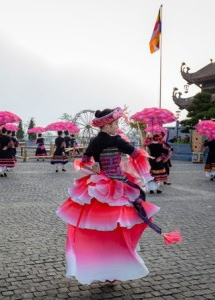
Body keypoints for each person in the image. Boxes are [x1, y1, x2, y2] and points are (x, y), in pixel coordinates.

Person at [56, 107, 176, 285]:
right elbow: (136, 155)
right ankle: (115, 267)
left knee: (97, 229)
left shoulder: (95, 141)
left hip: (97, 186)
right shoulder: (117, 140)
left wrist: (93, 167)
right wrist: (141, 160)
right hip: (118, 185)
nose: (117, 126)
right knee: (120, 228)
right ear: (108, 125)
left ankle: (101, 266)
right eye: (116, 123)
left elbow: (85, 160)